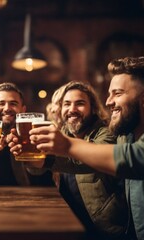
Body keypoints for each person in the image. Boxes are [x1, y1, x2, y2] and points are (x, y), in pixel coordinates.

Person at [28, 56, 144, 240]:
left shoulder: (110, 134)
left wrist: (65, 145)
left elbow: (134, 158)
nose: (109, 101)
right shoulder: (127, 135)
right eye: (67, 104)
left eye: (118, 93)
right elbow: (86, 164)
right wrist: (41, 159)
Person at [9, 81, 128, 238]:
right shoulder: (61, 133)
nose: (72, 110)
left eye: (79, 104)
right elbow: (38, 170)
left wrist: (47, 159)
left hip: (103, 227)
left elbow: (86, 161)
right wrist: (29, 156)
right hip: (68, 221)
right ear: (60, 109)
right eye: (67, 104)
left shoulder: (106, 133)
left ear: (93, 109)